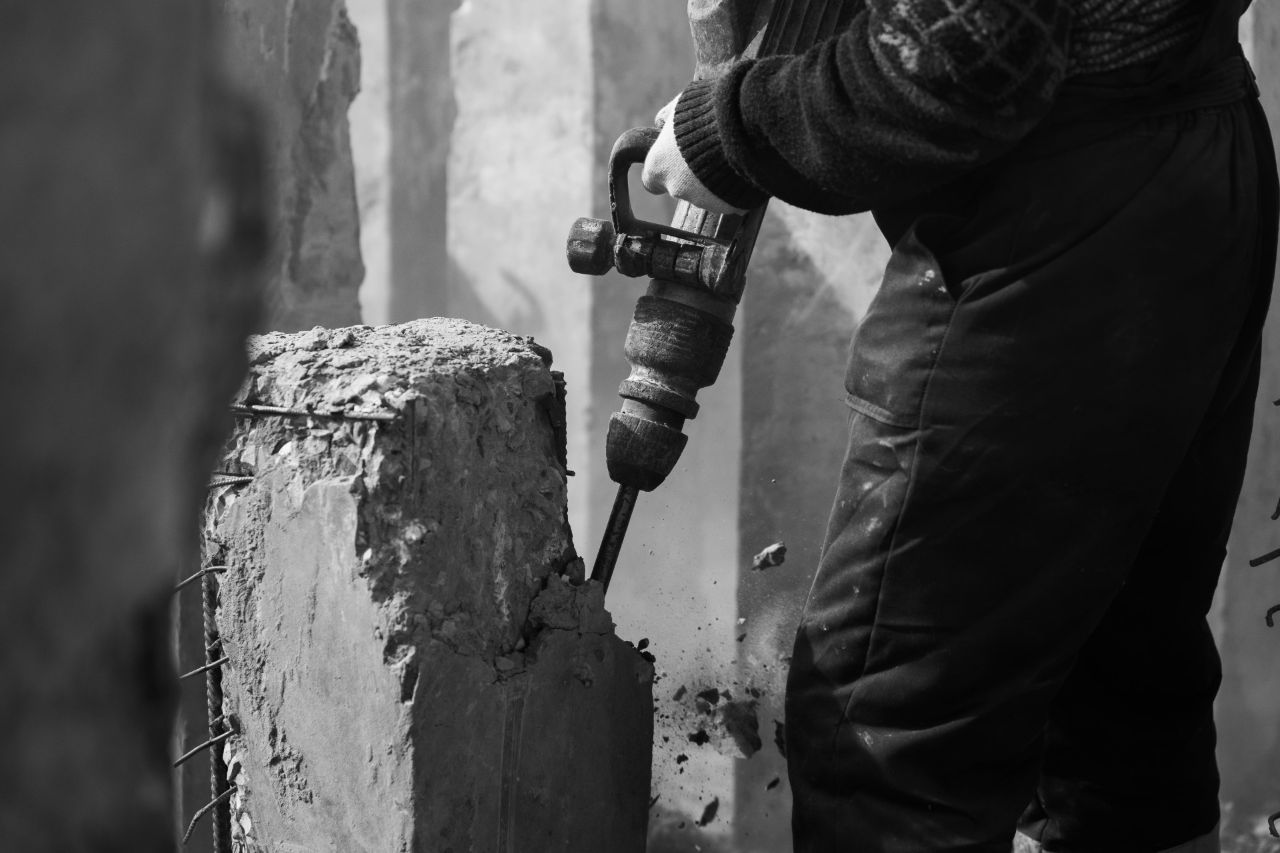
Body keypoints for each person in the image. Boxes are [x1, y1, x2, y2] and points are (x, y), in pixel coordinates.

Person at [641, 1, 1276, 851]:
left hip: (1054, 221)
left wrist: (732, 131)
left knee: (888, 741)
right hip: (1184, 142)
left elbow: (973, 46)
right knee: (1112, 706)